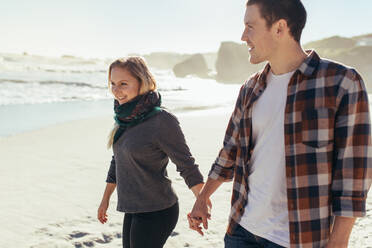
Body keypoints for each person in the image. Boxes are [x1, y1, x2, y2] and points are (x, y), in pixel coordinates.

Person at [188, 0, 372, 247]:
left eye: (250, 26)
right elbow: (230, 151)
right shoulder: (250, 88)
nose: (243, 36)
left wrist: (339, 241)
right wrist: (203, 197)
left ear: (279, 28)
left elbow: (353, 172)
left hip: (300, 239)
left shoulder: (341, 82)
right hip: (241, 232)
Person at [97, 56, 205, 248]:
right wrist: (105, 199)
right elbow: (117, 161)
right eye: (112, 83)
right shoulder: (126, 117)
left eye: (123, 83)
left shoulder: (161, 120)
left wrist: (201, 202)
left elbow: (186, 164)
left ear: (142, 82)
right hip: (133, 208)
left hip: (157, 210)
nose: (116, 90)